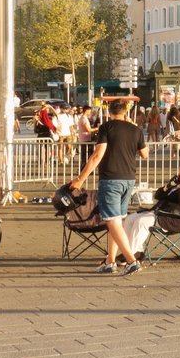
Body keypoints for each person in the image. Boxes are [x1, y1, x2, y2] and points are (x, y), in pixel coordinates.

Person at [72, 98, 150, 275]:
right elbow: (145, 154)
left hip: (110, 178)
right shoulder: (135, 129)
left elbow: (97, 155)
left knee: (111, 220)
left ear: (109, 112)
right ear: (126, 111)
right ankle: (110, 261)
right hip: (128, 179)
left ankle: (131, 260)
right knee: (118, 220)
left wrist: (80, 179)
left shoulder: (106, 128)